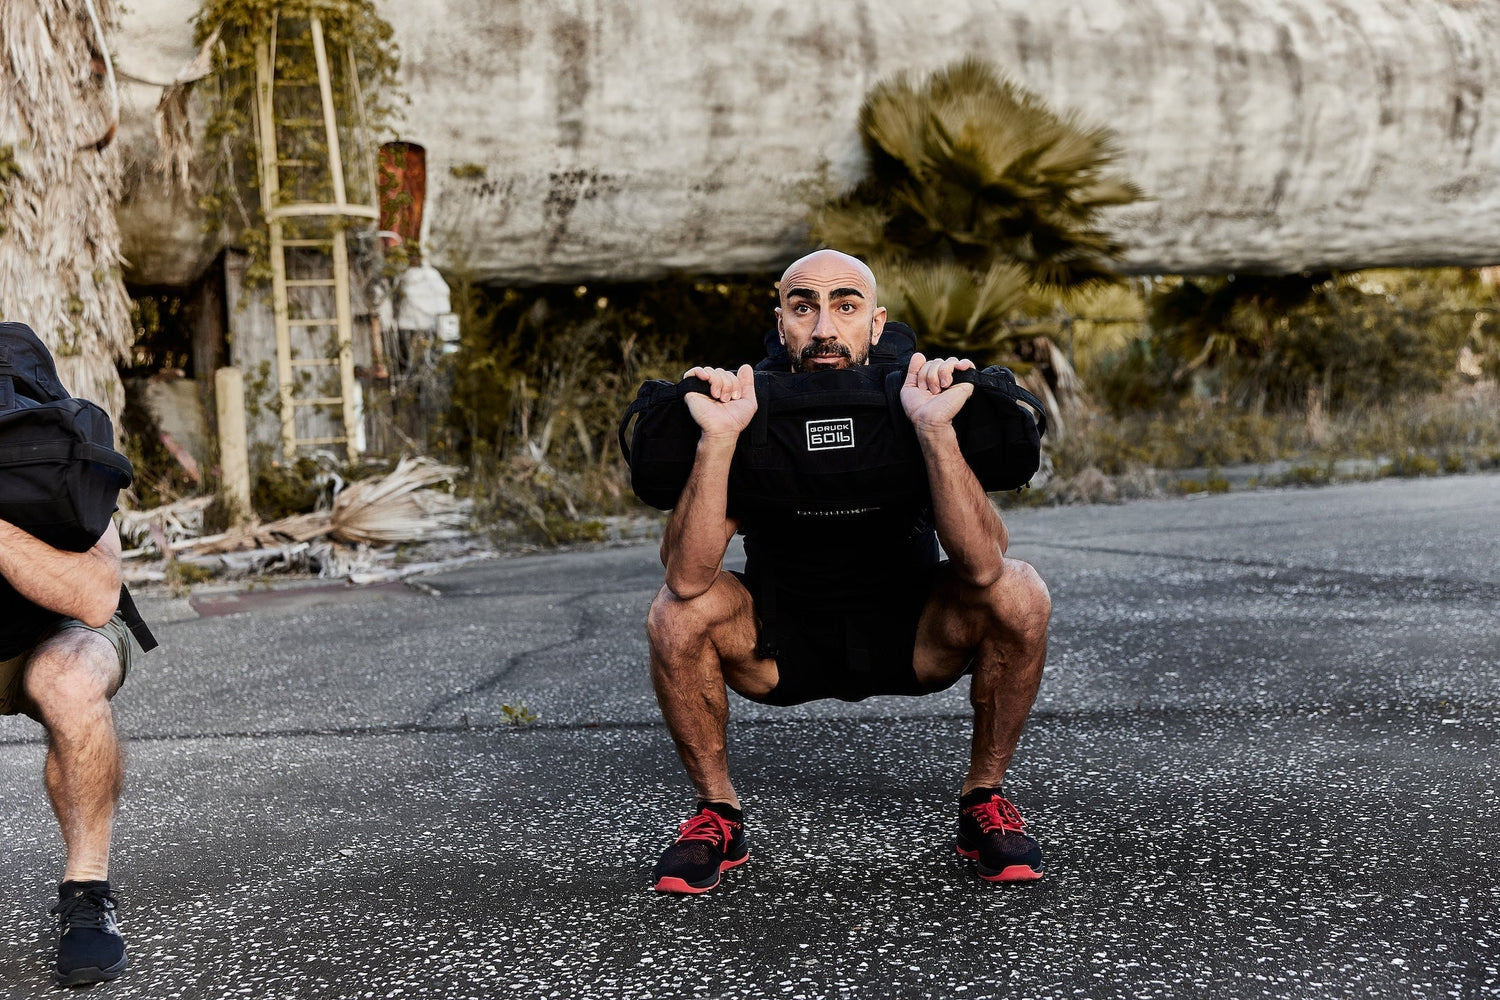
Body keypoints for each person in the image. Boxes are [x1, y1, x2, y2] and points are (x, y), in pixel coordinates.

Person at [646, 248, 1052, 894]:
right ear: (781, 323)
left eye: (845, 305)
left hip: (914, 642)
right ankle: (718, 815)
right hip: (779, 648)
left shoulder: (915, 400)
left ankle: (983, 800)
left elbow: (982, 568)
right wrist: (719, 438)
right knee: (675, 614)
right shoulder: (753, 409)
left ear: (876, 323)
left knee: (1020, 590)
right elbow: (689, 579)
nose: (824, 327)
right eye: (803, 307)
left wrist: (935, 431)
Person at [0, 516, 132, 984]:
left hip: (61, 625)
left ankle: (87, 889)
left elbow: (94, 597)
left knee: (70, 680)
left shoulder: (54, 473)